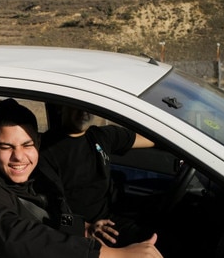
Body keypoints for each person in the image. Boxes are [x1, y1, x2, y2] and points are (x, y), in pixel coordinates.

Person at [0, 98, 162, 258]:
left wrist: (85, 227)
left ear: (38, 143)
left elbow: (51, 219)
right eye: (6, 147)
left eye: (27, 145)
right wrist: (112, 255)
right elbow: (15, 235)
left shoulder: (38, 179)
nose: (18, 156)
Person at [40, 105, 155, 247]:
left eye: (88, 106)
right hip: (81, 233)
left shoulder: (101, 136)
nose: (84, 111)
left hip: (114, 217)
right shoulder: (44, 151)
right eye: (76, 105)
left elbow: (154, 139)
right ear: (61, 107)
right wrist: (85, 228)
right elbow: (47, 211)